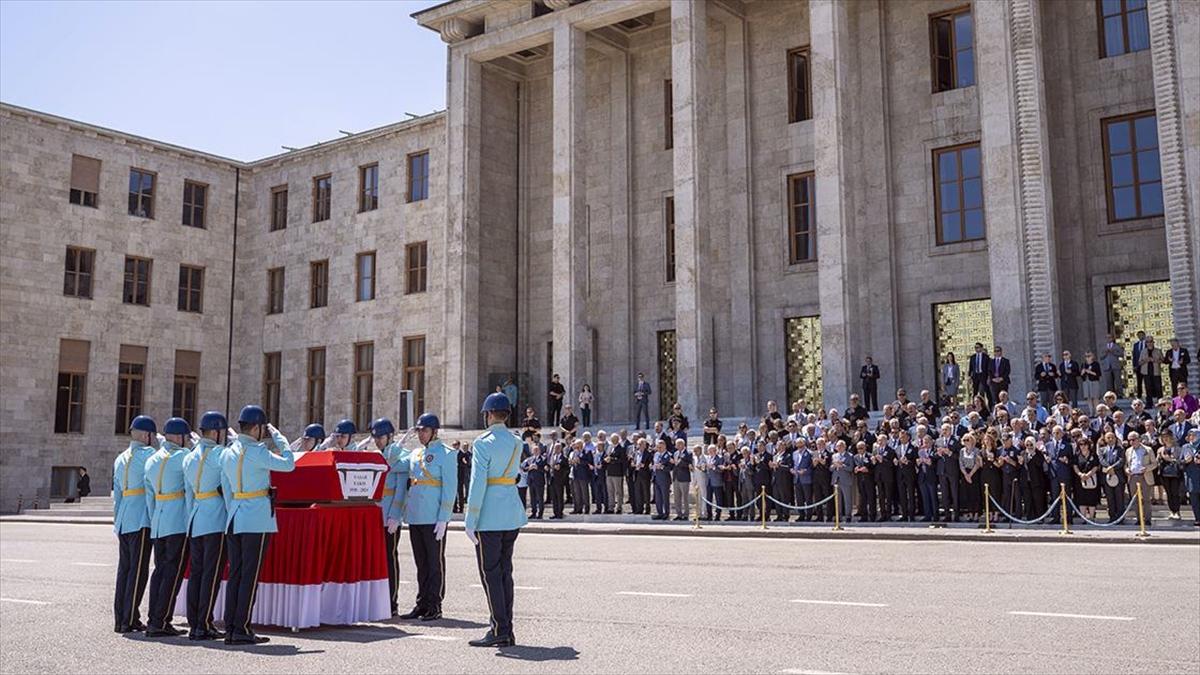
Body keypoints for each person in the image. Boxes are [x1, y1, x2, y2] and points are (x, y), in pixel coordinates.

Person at [220, 405, 296, 645]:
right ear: (256, 427)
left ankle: (231, 626)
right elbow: (289, 464)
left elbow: (226, 488)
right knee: (249, 577)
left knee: (236, 575)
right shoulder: (259, 452)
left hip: (234, 517)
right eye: (262, 428)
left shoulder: (228, 453)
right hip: (256, 518)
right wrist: (280, 438)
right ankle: (242, 628)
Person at [464, 392, 528, 648]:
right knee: (505, 572)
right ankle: (506, 627)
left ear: (489, 414)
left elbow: (478, 482)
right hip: (511, 512)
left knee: (490, 574)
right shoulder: (516, 441)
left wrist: (471, 517)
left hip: (489, 515)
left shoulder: (483, 443)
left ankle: (499, 628)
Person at [398, 413, 456, 621]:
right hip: (416, 516)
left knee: (434, 563)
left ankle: (434, 604)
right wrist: (399, 443)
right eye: (419, 430)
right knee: (421, 563)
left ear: (434, 432)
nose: (421, 434)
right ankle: (421, 603)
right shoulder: (415, 454)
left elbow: (450, 488)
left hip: (434, 516)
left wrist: (444, 517)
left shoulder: (447, 453)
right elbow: (395, 464)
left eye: (424, 430)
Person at [138, 416, 191, 637]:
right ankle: (161, 620)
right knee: (173, 572)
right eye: (186, 437)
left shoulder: (152, 460)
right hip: (177, 521)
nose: (187, 441)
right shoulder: (184, 457)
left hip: (158, 521)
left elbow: (149, 497)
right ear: (179, 437)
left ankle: (154, 618)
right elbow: (190, 491)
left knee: (159, 571)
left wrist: (154, 520)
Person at [182, 411, 229, 641]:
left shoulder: (189, 457)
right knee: (211, 573)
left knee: (197, 573)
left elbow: (189, 494)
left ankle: (194, 622)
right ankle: (204, 623)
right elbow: (228, 488)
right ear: (218, 432)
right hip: (216, 518)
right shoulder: (221, 454)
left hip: (197, 517)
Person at [113, 415, 157, 634]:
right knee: (138, 572)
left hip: (124, 519)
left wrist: (116, 520)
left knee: (124, 570)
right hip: (141, 519)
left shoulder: (121, 458)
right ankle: (130, 618)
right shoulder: (150, 455)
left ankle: (120, 617)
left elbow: (117, 495)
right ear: (147, 435)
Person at [370, 418, 411, 618]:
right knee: (376, 561)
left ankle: (392, 601)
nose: (378, 441)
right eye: (375, 437)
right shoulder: (376, 456)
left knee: (389, 558)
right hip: (375, 514)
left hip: (390, 518)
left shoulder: (401, 456)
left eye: (381, 437)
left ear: (390, 437)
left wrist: (395, 516)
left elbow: (400, 491)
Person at [1097, 431, 1126, 524]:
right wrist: (1108, 468)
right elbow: (1101, 460)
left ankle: (1120, 518)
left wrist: (1113, 468)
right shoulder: (1102, 450)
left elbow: (1121, 460)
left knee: (1119, 498)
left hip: (1118, 475)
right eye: (1108, 438)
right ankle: (1112, 517)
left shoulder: (1120, 449)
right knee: (1110, 498)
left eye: (1112, 437)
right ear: (1105, 439)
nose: (1110, 439)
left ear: (1115, 439)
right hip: (1107, 477)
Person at [1156, 429, 1183, 521]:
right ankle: (1172, 511)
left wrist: (1170, 459)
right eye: (1163, 437)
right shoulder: (1160, 449)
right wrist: (1160, 457)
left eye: (1167, 437)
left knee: (1175, 493)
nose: (1165, 439)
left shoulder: (1178, 448)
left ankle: (1177, 511)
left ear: (1171, 437)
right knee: (1168, 493)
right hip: (1164, 474)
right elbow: (1157, 462)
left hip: (1175, 474)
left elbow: (1180, 462)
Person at [1072, 438, 1101, 522]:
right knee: (1081, 500)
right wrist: (1080, 474)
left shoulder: (1093, 455)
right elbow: (1075, 466)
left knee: (1091, 499)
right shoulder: (1077, 455)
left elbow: (1096, 466)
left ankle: (1091, 518)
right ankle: (1084, 518)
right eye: (1081, 445)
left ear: (1088, 445)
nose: (1083, 446)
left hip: (1091, 479)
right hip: (1080, 480)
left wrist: (1088, 475)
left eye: (1085, 444)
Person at [1180, 429, 1200, 527]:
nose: (1192, 437)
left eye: (1194, 435)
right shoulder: (1185, 447)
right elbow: (1180, 463)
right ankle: (1197, 519)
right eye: (1190, 435)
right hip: (1191, 477)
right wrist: (1185, 462)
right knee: (1194, 499)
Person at [670, 438, 693, 521]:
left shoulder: (688, 453)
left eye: (680, 444)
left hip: (684, 478)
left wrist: (680, 462)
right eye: (677, 444)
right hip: (676, 477)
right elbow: (674, 465)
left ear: (684, 445)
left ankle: (686, 514)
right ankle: (679, 514)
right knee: (677, 497)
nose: (678, 446)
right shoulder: (675, 453)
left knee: (685, 497)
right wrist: (673, 462)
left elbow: (689, 464)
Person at [603, 436, 627, 514]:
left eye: (614, 439)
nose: (613, 440)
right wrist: (606, 459)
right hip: (609, 472)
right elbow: (606, 456)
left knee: (618, 491)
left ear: (617, 439)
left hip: (617, 473)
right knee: (610, 491)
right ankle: (611, 507)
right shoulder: (610, 448)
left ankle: (619, 507)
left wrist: (612, 459)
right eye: (612, 439)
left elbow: (622, 460)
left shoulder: (621, 448)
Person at [524, 443, 547, 519]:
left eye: (537, 450)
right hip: (531, 481)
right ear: (532, 451)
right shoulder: (530, 459)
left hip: (539, 481)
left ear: (540, 451)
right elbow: (524, 468)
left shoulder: (543, 459)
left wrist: (537, 468)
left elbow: (545, 470)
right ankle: (533, 512)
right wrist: (529, 468)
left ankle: (540, 514)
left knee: (540, 498)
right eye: (534, 450)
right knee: (532, 498)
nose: (536, 451)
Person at [1138, 336, 1165, 402]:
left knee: (1158, 388)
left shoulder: (1158, 351)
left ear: (1153, 342)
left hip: (1156, 372)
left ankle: (1160, 402)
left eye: (1150, 341)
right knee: (1148, 388)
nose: (1149, 343)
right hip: (1146, 372)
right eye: (1147, 342)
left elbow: (1163, 360)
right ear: (1146, 343)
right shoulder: (1143, 351)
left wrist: (1155, 360)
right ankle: (1149, 403)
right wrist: (1145, 360)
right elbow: (1139, 362)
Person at [547, 442, 569, 519]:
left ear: (561, 449)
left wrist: (560, 469)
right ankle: (555, 513)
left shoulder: (564, 458)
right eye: (555, 448)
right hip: (552, 479)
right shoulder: (552, 457)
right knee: (554, 497)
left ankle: (560, 513)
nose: (556, 449)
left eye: (557, 448)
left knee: (560, 497)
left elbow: (567, 469)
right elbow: (550, 466)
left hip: (559, 480)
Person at [988, 345, 1011, 410]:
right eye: (995, 351)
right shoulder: (991, 361)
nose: (996, 352)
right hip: (994, 383)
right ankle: (998, 411)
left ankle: (1005, 410)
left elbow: (1007, 371)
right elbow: (989, 371)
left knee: (1003, 397)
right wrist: (993, 378)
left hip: (1003, 382)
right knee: (996, 398)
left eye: (998, 351)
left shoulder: (1006, 361)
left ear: (1001, 352)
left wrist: (1001, 378)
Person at [455, 441, 472, 514]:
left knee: (460, 491)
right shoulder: (451, 454)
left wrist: (464, 463)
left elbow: (468, 464)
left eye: (455, 445)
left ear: (458, 445)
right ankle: (455, 507)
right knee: (454, 492)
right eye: (453, 445)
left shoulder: (464, 454)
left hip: (462, 475)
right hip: (454, 476)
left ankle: (461, 508)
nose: (454, 446)